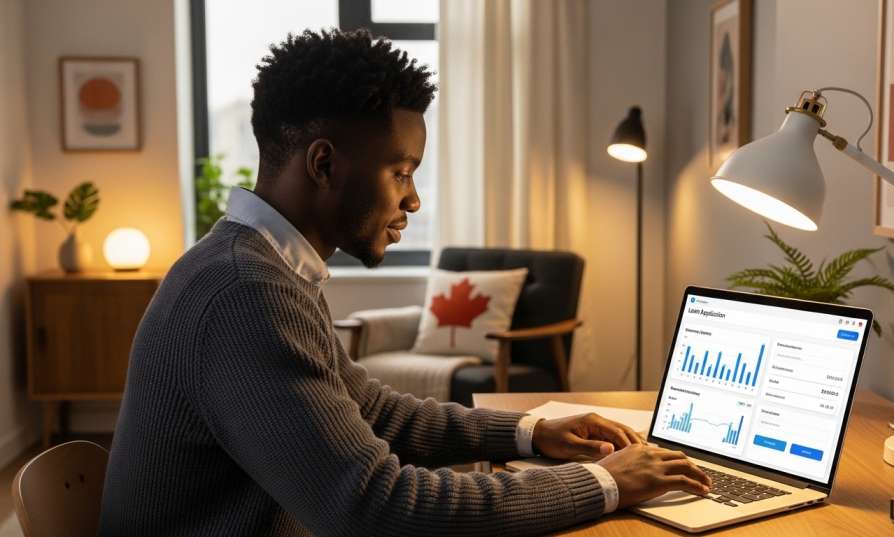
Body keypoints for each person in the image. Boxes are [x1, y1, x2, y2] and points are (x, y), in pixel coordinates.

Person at [98, 29, 710, 536]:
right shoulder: (244, 293)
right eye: (400, 172)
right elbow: (375, 506)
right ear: (324, 164)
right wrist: (605, 481)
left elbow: (373, 412)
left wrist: (531, 432)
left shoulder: (261, 265)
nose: (413, 199)